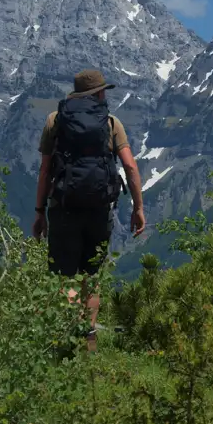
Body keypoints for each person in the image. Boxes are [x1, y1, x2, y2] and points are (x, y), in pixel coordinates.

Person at [32, 69, 145, 351]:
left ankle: (66, 339)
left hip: (63, 209)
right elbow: (130, 167)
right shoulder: (110, 123)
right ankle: (89, 339)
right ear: (99, 93)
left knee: (65, 276)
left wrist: (39, 211)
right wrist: (138, 207)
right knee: (91, 277)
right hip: (98, 210)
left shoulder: (55, 120)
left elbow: (45, 171)